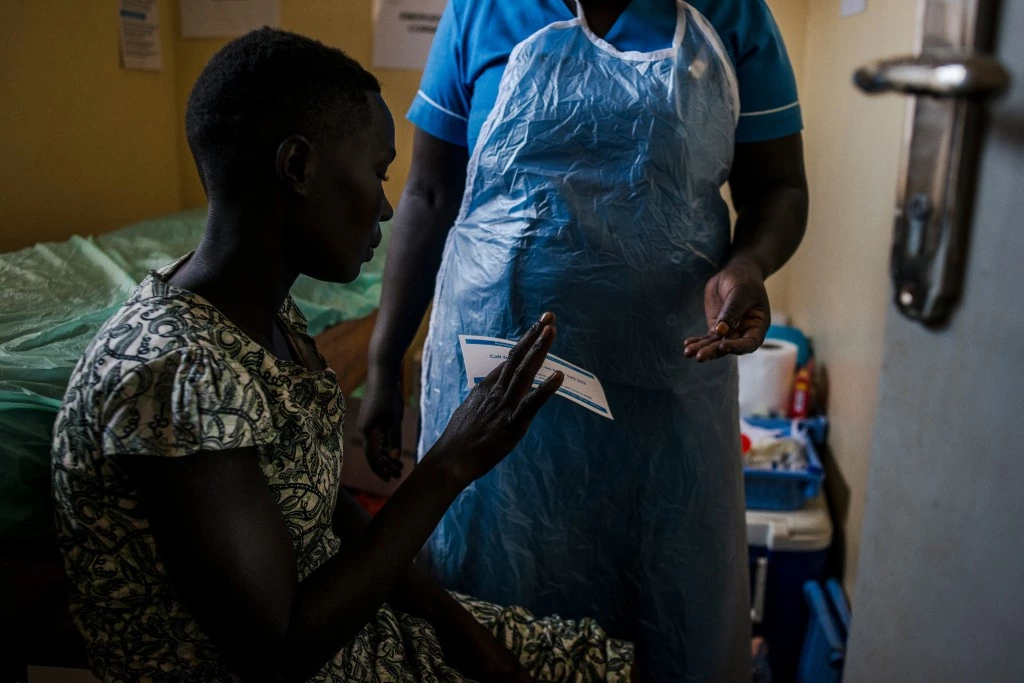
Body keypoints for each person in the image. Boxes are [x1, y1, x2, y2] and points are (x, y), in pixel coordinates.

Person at [51, 28, 634, 682]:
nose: (386, 206)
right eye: (378, 171)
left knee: (599, 656)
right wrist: (447, 464)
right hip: (279, 661)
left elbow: (324, 503)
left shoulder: (261, 313)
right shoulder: (181, 371)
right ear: (298, 166)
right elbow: (278, 650)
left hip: (344, 627)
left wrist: (461, 630)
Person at [359, 0, 809, 680]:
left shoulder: (731, 14)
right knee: (493, 591)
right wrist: (382, 355)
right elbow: (427, 193)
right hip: (497, 379)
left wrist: (749, 264)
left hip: (663, 380)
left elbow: (779, 185)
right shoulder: (482, 11)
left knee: (661, 588)